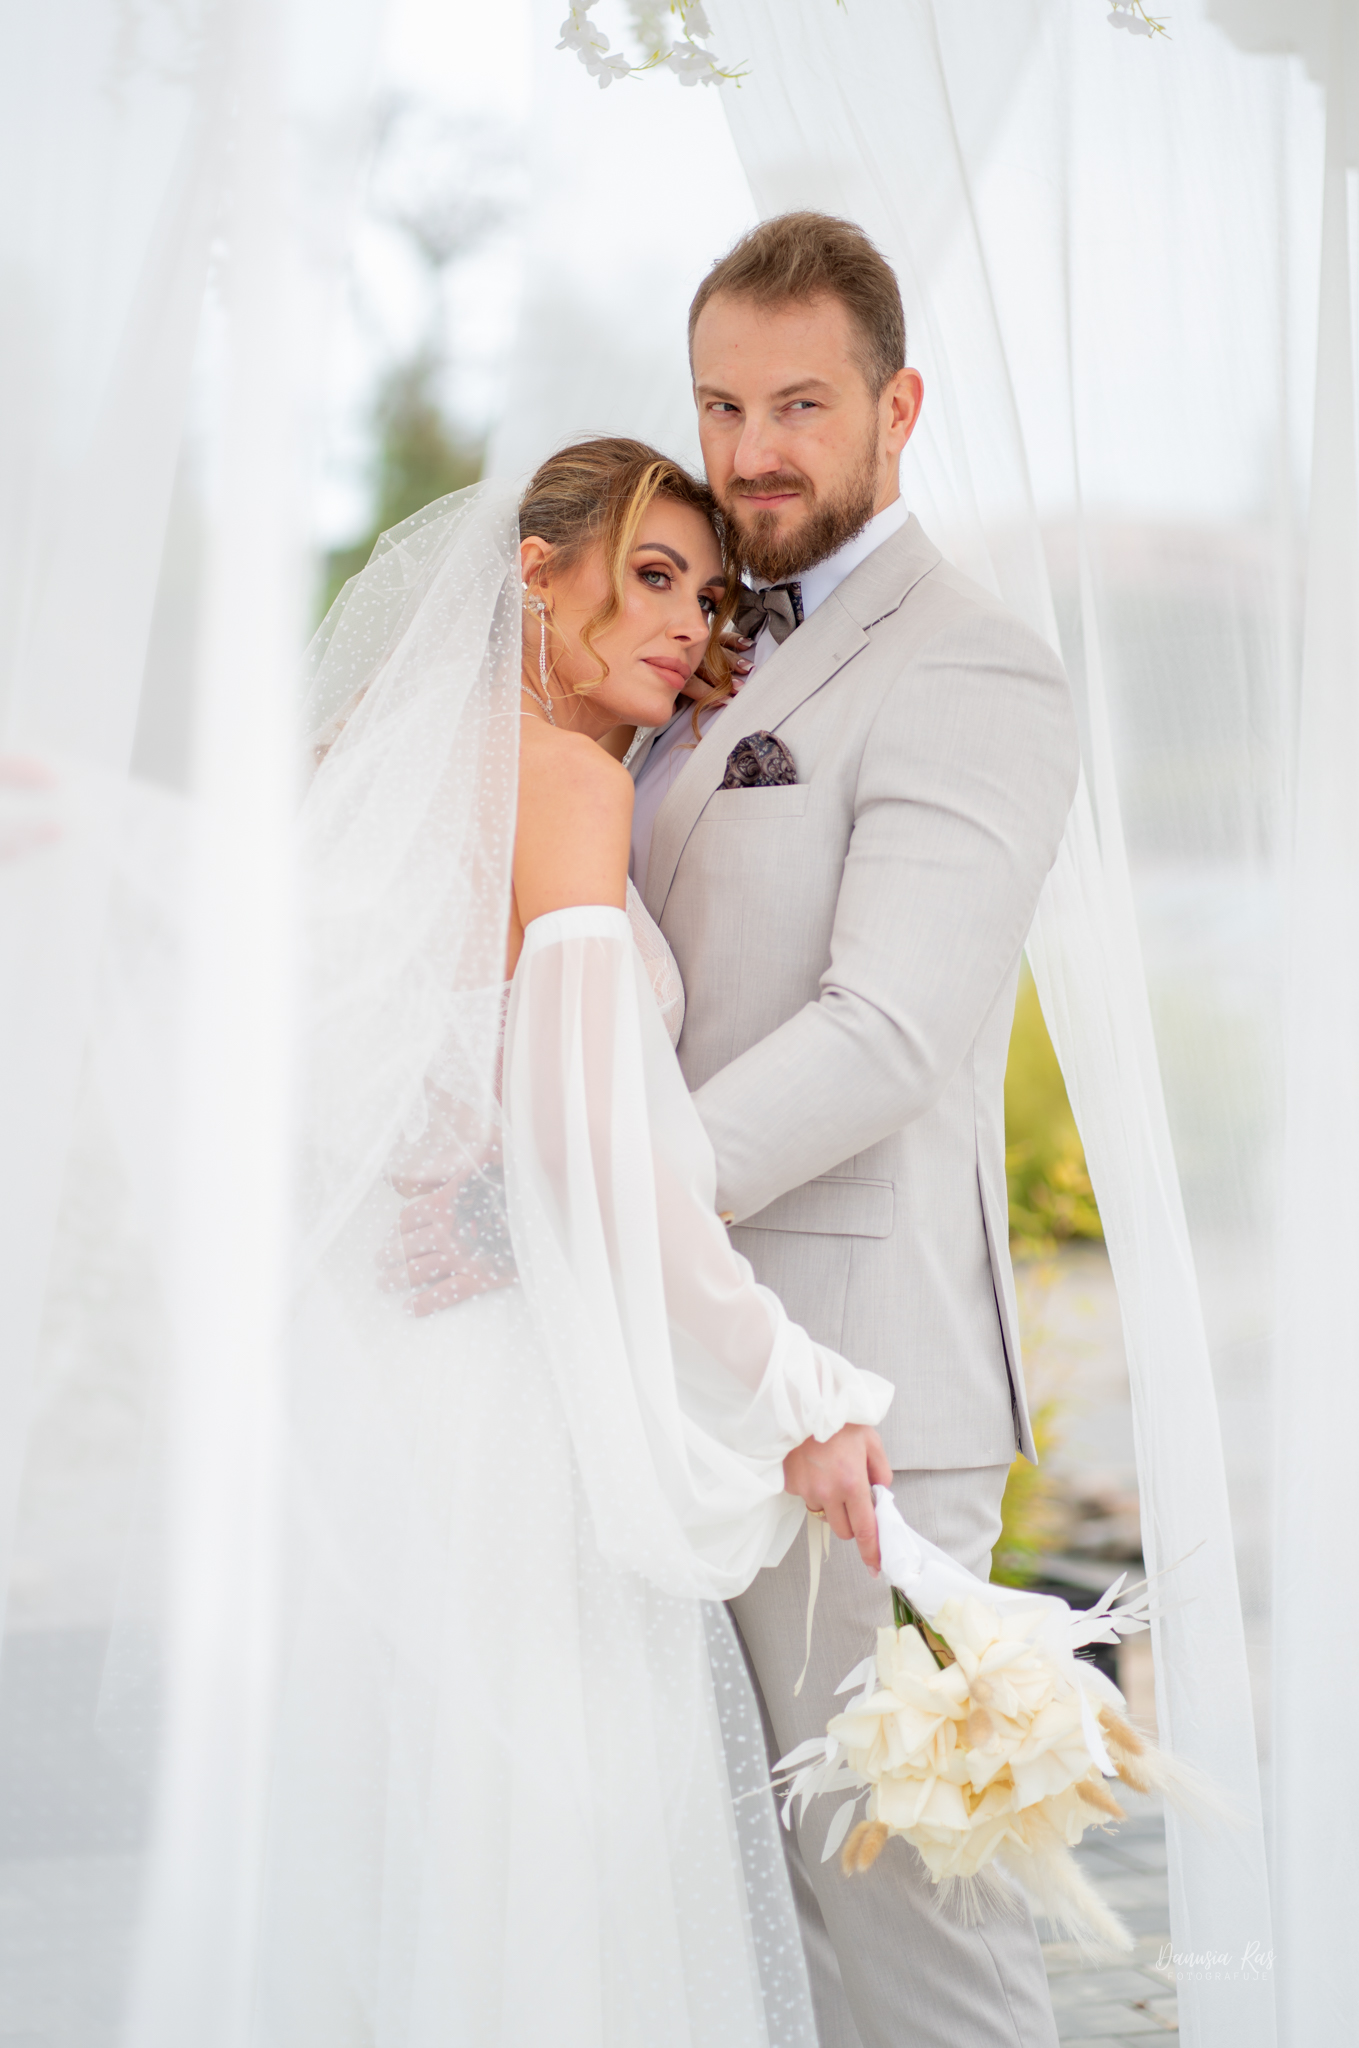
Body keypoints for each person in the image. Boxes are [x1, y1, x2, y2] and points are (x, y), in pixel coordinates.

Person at [279, 437, 895, 2047]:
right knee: (574, 1857)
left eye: (709, 597)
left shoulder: (394, 778)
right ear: (531, 576)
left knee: (439, 1847)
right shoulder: (558, 784)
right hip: (522, 1414)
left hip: (403, 1384)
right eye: (651, 576)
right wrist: (797, 1387)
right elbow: (592, 1149)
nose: (690, 623)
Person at [626, 212, 1080, 2048]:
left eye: (799, 404)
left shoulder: (968, 665)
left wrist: (592, 1196)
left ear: (898, 407)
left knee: (919, 1953)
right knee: (749, 1940)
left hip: (855, 1395)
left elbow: (884, 1031)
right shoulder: (693, 641)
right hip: (674, 1379)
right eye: (720, 405)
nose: (750, 452)